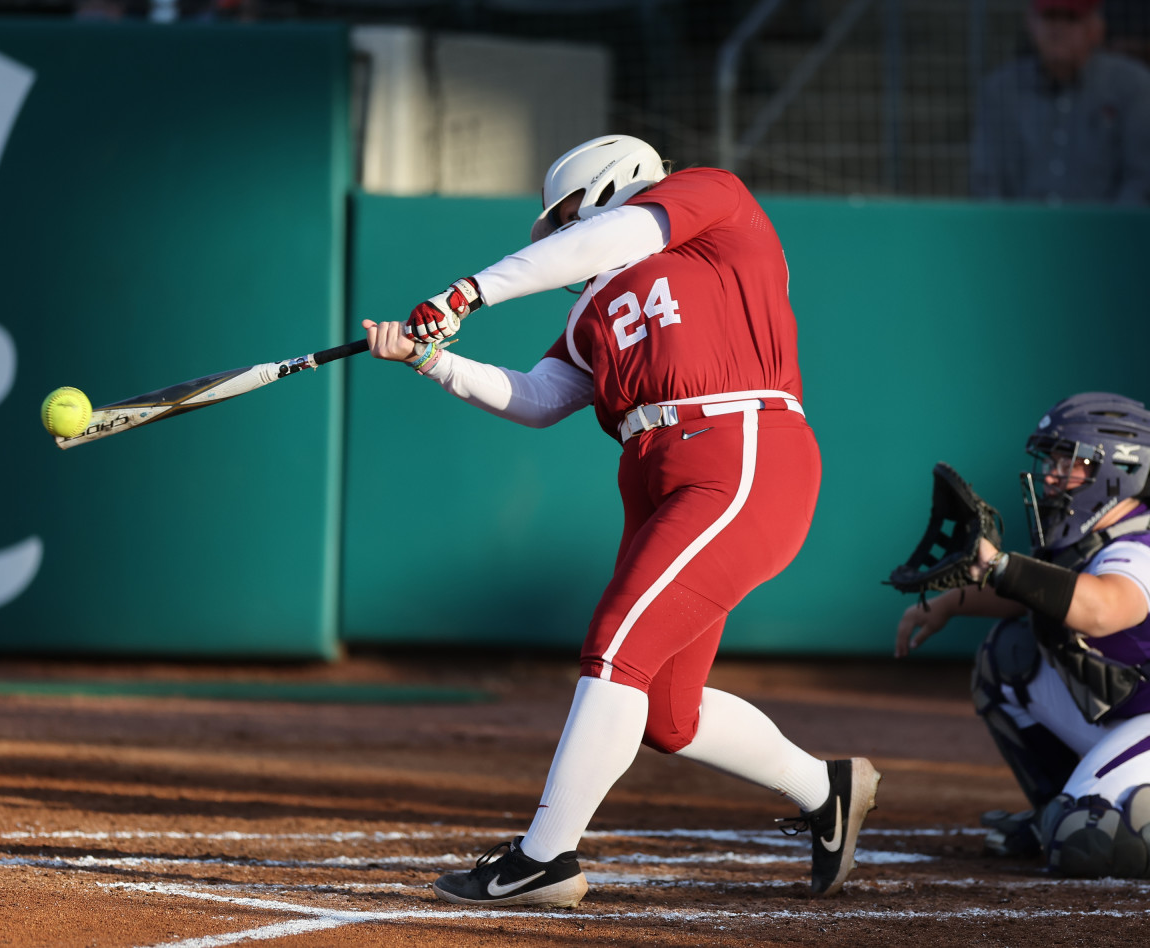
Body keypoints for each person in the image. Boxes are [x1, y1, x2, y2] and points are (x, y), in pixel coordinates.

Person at [363, 135, 881, 907]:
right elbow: (539, 398)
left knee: (615, 646)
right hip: (655, 466)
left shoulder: (709, 199)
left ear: (610, 186)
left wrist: (468, 293)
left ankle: (544, 858)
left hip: (739, 448)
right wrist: (429, 360)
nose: (567, 232)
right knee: (669, 714)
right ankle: (826, 789)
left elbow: (625, 233)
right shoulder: (591, 310)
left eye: (570, 215)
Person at [895, 392, 1150, 878]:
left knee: (1085, 840)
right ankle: (1060, 804)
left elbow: (1103, 609)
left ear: (1117, 470)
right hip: (1129, 710)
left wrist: (997, 564)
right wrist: (950, 604)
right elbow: (1045, 594)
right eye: (1052, 460)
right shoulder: (1097, 539)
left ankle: (1081, 809)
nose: (1052, 476)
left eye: (1069, 462)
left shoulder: (1139, 546)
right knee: (1010, 656)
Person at [970, 0, 1150, 205]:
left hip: (1104, 232)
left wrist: (1109, 232)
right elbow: (985, 183)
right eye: (1050, 16)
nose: (1058, 28)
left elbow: (1142, 179)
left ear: (1096, 27)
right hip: (1021, 232)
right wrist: (1007, 232)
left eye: (1071, 18)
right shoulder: (1000, 90)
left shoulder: (1133, 87)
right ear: (1030, 22)